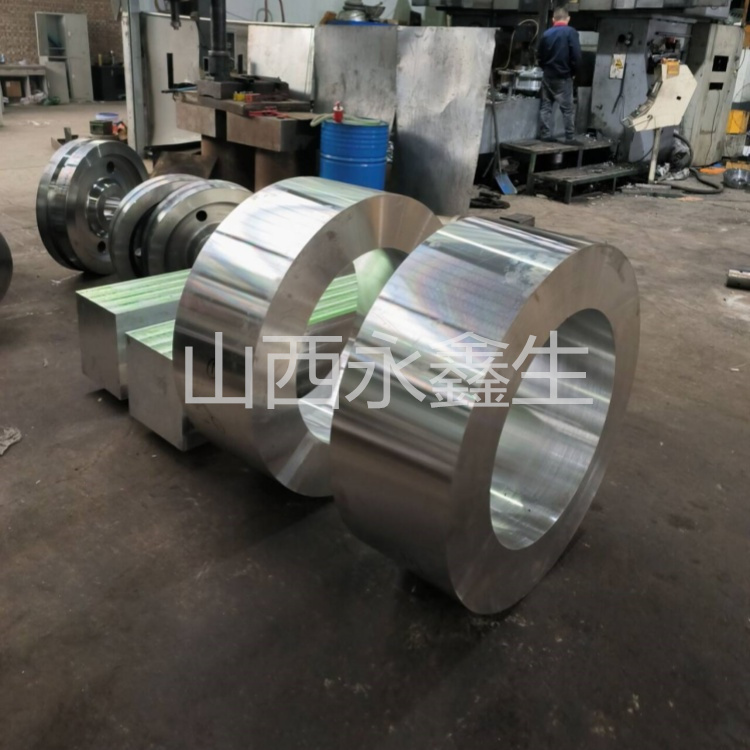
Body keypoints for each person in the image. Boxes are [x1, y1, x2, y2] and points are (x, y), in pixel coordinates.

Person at [537, 7, 582, 144]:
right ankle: (570, 137)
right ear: (568, 19)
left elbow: (539, 56)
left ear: (553, 19)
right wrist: (574, 72)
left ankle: (545, 134)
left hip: (547, 76)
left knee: (546, 106)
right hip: (563, 76)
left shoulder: (546, 34)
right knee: (567, 109)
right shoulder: (571, 32)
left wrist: (545, 68)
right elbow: (576, 55)